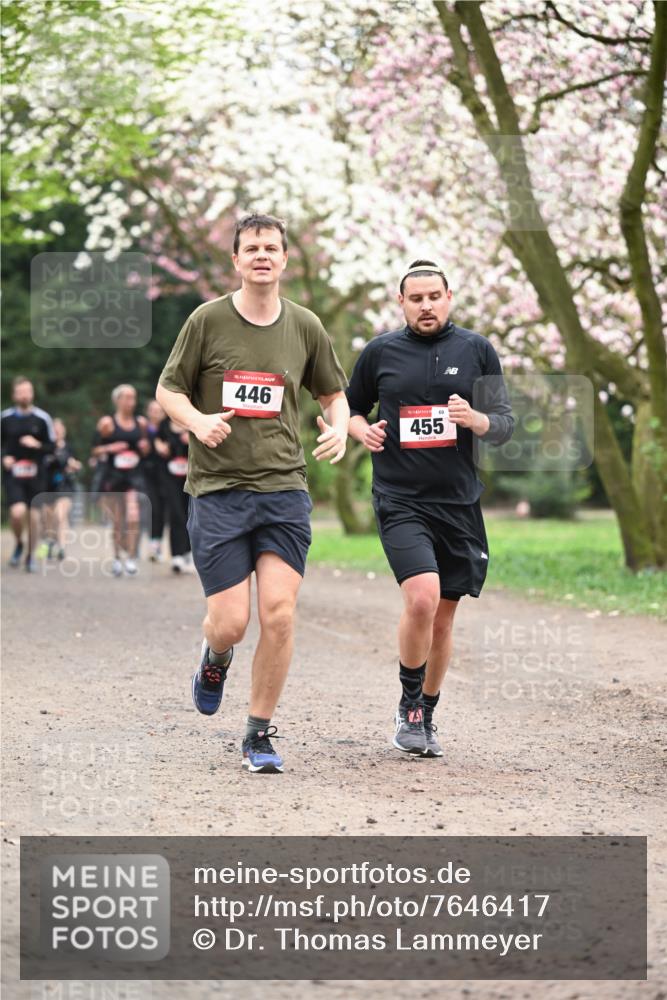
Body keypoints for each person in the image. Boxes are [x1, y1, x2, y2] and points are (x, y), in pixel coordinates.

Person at [156, 212, 349, 774]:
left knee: (280, 614)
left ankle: (258, 733)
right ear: (236, 260)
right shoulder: (207, 320)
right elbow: (168, 389)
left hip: (283, 488)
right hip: (218, 491)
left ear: (284, 259)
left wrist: (339, 427)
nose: (262, 255)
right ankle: (215, 656)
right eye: (252, 248)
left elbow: (333, 394)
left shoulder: (305, 325)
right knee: (231, 623)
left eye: (271, 247)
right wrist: (197, 420)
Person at [346, 260, 514, 758]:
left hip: (458, 504)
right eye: (416, 298)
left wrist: (475, 419)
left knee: (442, 620)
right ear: (401, 302)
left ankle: (427, 712)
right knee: (422, 598)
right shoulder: (380, 352)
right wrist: (362, 431)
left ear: (449, 297)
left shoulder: (477, 350)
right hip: (400, 498)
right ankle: (409, 707)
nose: (426, 306)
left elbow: (504, 424)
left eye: (434, 297)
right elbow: (349, 408)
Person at [92, 384, 149, 577]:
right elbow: (95, 450)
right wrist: (110, 448)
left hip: (133, 476)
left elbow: (145, 450)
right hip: (113, 476)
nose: (131, 402)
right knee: (117, 521)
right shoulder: (107, 423)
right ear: (117, 400)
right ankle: (117, 559)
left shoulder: (140, 423)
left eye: (133, 397)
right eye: (126, 397)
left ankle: (131, 558)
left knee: (133, 516)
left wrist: (144, 447)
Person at [1, 376, 56, 572]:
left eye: (27, 391)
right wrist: (3, 458)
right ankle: (19, 543)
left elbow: (52, 447)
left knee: (34, 517)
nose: (24, 395)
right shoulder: (5, 418)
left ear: (32, 394)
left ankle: (31, 556)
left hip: (36, 474)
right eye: (21, 392)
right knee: (17, 514)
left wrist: (37, 445)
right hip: (14, 474)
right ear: (14, 395)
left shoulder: (43, 419)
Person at [39, 417, 82, 560]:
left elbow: (78, 464)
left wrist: (74, 466)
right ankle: (49, 542)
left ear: (64, 430)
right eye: (54, 429)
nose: (57, 431)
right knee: (48, 518)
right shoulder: (45, 447)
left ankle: (62, 547)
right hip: (47, 486)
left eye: (59, 428)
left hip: (65, 486)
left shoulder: (69, 447)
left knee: (60, 515)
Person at [156, 415, 194, 573]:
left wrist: (192, 440)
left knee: (190, 514)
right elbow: (156, 441)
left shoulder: (192, 420)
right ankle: (176, 555)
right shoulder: (164, 424)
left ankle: (188, 551)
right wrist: (160, 447)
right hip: (169, 476)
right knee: (176, 514)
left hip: (190, 476)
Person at [142, 399, 168, 563]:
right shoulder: (143, 430)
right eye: (152, 410)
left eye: (159, 410)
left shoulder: (167, 429)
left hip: (165, 475)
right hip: (147, 475)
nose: (155, 413)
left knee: (162, 510)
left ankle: (157, 544)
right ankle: (152, 543)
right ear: (148, 412)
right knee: (153, 508)